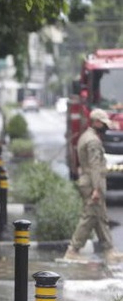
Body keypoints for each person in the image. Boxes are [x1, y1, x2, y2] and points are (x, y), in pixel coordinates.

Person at [63, 108, 123, 265]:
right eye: (103, 123)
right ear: (96, 122)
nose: (106, 127)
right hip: (92, 183)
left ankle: (109, 250)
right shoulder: (93, 141)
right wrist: (97, 189)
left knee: (100, 218)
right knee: (89, 217)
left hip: (89, 181)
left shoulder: (86, 136)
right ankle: (73, 250)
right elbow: (95, 166)